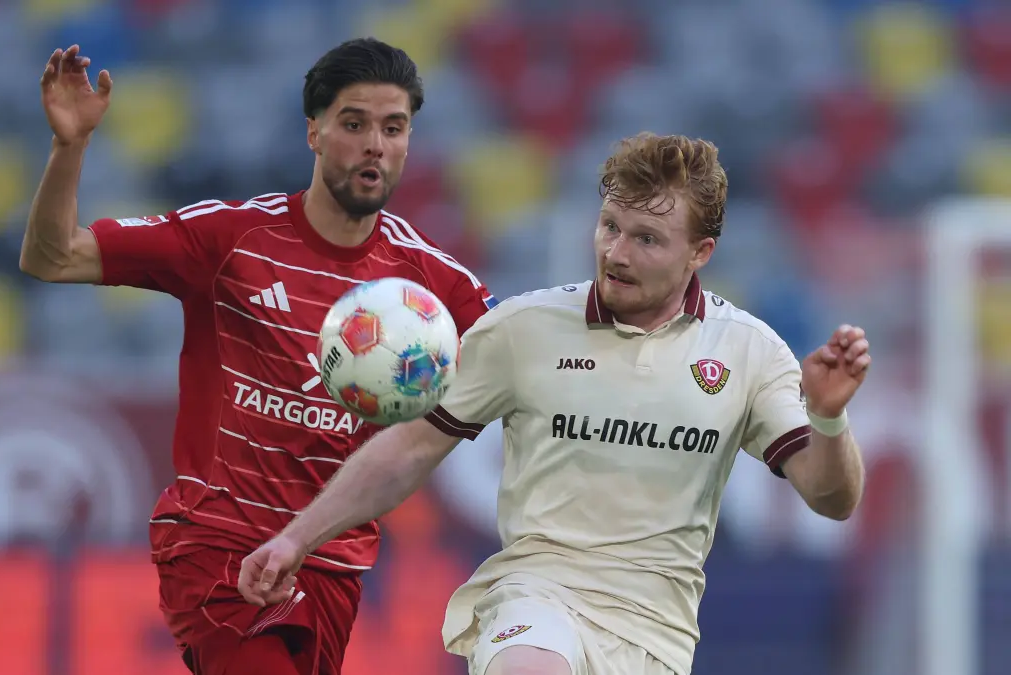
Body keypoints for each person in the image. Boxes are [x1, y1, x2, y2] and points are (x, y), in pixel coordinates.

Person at [239, 132, 870, 675]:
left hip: (656, 631)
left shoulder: (749, 351)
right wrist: (296, 538)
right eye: (609, 227)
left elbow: (831, 498)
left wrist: (829, 417)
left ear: (700, 253)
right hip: (536, 591)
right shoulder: (524, 329)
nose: (616, 253)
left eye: (647, 239)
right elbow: (409, 448)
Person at [21, 37, 496, 675]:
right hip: (217, 547)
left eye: (394, 127)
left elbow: (530, 363)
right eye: (354, 124)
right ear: (315, 133)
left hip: (330, 569)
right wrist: (70, 144)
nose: (374, 145)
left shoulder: (434, 284)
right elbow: (52, 257)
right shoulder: (233, 238)